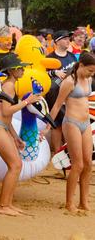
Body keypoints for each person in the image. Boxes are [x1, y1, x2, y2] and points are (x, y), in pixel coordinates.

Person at [0, 54, 42, 216]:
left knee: (16, 165)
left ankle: (7, 204)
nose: (23, 70)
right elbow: (7, 111)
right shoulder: (8, 85)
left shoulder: (10, 84)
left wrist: (15, 137)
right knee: (16, 165)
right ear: (12, 70)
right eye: (20, 67)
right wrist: (26, 102)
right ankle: (3, 206)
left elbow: (7, 117)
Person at [49, 52, 95, 213]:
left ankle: (84, 201)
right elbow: (56, 105)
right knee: (78, 164)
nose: (92, 74)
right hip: (71, 123)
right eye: (90, 70)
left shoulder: (88, 79)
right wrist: (48, 126)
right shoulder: (69, 82)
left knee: (89, 163)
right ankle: (69, 202)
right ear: (81, 65)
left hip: (85, 122)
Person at [46, 30, 78, 152]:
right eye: (64, 38)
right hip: (55, 95)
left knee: (69, 124)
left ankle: (68, 152)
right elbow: (41, 74)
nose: (68, 40)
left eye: (68, 38)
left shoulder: (72, 56)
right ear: (57, 42)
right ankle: (57, 153)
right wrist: (54, 72)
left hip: (72, 95)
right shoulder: (50, 58)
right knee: (57, 125)